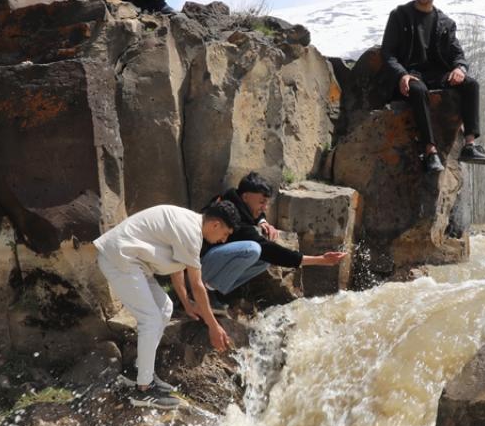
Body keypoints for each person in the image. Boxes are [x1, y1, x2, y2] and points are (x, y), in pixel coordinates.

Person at [94, 201, 241, 408]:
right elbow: (197, 285)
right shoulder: (191, 232)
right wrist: (213, 326)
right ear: (215, 224)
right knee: (151, 319)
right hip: (119, 258)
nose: (223, 240)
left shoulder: (189, 225)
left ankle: (140, 371)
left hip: (133, 262)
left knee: (165, 308)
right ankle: (144, 390)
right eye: (225, 234)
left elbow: (177, 269)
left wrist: (186, 303)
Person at [380, 0, 485, 173]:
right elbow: (388, 52)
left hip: (438, 75)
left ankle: (469, 145)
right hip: (410, 74)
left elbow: (457, 54)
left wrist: (460, 68)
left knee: (471, 84)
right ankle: (430, 152)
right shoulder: (400, 16)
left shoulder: (445, 23)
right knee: (418, 90)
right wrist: (402, 74)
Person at [201, 172, 348, 298]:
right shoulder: (235, 220)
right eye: (262, 202)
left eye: (267, 203)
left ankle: (219, 291)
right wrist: (319, 260)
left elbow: (252, 213)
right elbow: (269, 250)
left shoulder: (233, 201)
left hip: (211, 262)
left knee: (263, 261)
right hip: (199, 264)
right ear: (245, 197)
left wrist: (262, 220)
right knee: (253, 250)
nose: (265, 207)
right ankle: (208, 292)